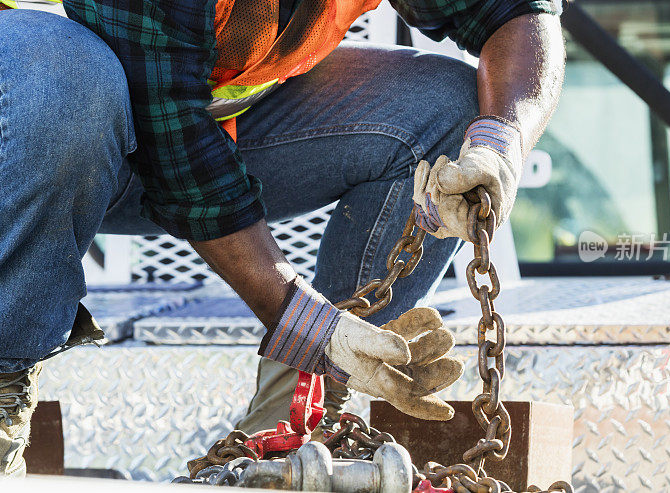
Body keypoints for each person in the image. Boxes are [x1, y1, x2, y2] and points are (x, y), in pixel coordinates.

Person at [0, 0, 565, 477]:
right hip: (29, 132)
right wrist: (302, 320)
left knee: (445, 112)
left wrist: (500, 147)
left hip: (191, 122)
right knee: (64, 75)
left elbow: (514, 11)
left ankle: (293, 420)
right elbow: (176, 149)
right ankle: (3, 385)